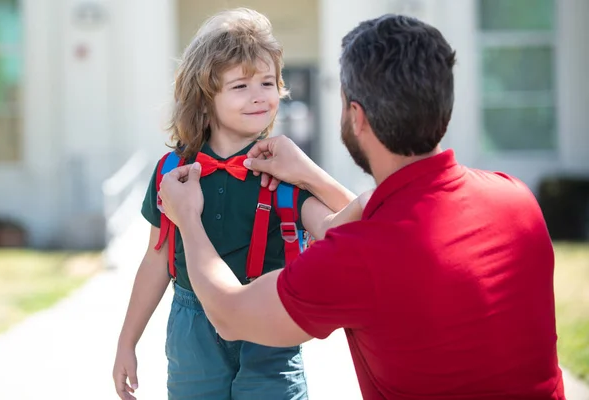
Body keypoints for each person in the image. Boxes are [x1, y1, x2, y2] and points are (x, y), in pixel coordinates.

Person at [158, 14, 566, 400]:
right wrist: (310, 174)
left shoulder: (356, 255)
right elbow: (381, 209)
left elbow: (229, 315)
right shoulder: (516, 199)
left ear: (357, 117)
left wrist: (188, 218)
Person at [112, 8, 368, 400]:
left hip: (270, 327)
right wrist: (127, 342)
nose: (259, 96)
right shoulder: (174, 172)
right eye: (240, 86)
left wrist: (309, 172)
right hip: (192, 331)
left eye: (267, 82)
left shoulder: (283, 169)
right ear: (204, 99)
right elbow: (155, 260)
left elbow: (349, 229)